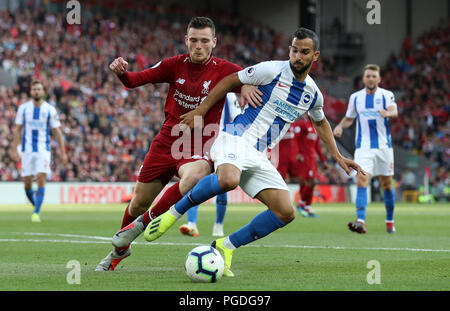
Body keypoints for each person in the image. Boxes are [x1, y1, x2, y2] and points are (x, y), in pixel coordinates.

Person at [143, 28, 365, 277]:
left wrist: (337, 156)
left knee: (285, 212)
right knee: (228, 179)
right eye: (294, 50)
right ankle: (173, 214)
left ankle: (225, 247)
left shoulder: (312, 94)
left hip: (258, 154)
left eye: (304, 52)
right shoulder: (271, 70)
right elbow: (230, 80)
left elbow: (321, 122)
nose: (297, 56)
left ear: (315, 56)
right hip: (235, 138)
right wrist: (202, 110)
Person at [95, 17, 258, 271]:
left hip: (199, 145)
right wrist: (122, 73)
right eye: (193, 40)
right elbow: (135, 80)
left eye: (205, 41)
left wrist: (246, 84)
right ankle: (119, 252)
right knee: (137, 203)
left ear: (214, 42)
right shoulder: (174, 65)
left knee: (194, 176)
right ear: (186, 40)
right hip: (166, 143)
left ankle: (141, 224)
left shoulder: (225, 69)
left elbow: (251, 76)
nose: (198, 46)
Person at [333, 64, 398, 234]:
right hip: (363, 147)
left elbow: (394, 111)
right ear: (363, 79)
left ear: (379, 79)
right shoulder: (356, 98)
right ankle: (361, 220)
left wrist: (387, 114)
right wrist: (340, 126)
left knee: (387, 185)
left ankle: (390, 220)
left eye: (373, 76)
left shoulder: (386, 95)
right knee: (362, 180)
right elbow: (349, 118)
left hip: (384, 147)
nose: (370, 78)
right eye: (367, 76)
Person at [179, 93, 242, 237]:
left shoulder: (229, 95)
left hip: (222, 143)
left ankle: (218, 224)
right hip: (202, 141)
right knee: (195, 180)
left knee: (221, 184)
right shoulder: (201, 90)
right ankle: (191, 224)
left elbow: (238, 118)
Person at [10, 80, 67, 222]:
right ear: (31, 91)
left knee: (41, 178)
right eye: (34, 89)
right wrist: (14, 148)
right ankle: (36, 204)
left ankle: (36, 212)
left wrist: (62, 151)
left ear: (43, 92)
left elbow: (57, 131)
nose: (36, 91)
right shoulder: (23, 108)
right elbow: (17, 129)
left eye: (39, 89)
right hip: (27, 151)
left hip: (43, 150)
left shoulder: (50, 109)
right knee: (27, 183)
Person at [293, 115, 328, 218]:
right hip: (304, 159)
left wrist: (323, 161)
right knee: (310, 182)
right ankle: (302, 204)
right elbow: (294, 139)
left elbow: (317, 146)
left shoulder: (315, 127)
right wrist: (297, 153)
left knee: (308, 183)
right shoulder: (302, 124)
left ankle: (306, 207)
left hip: (312, 160)